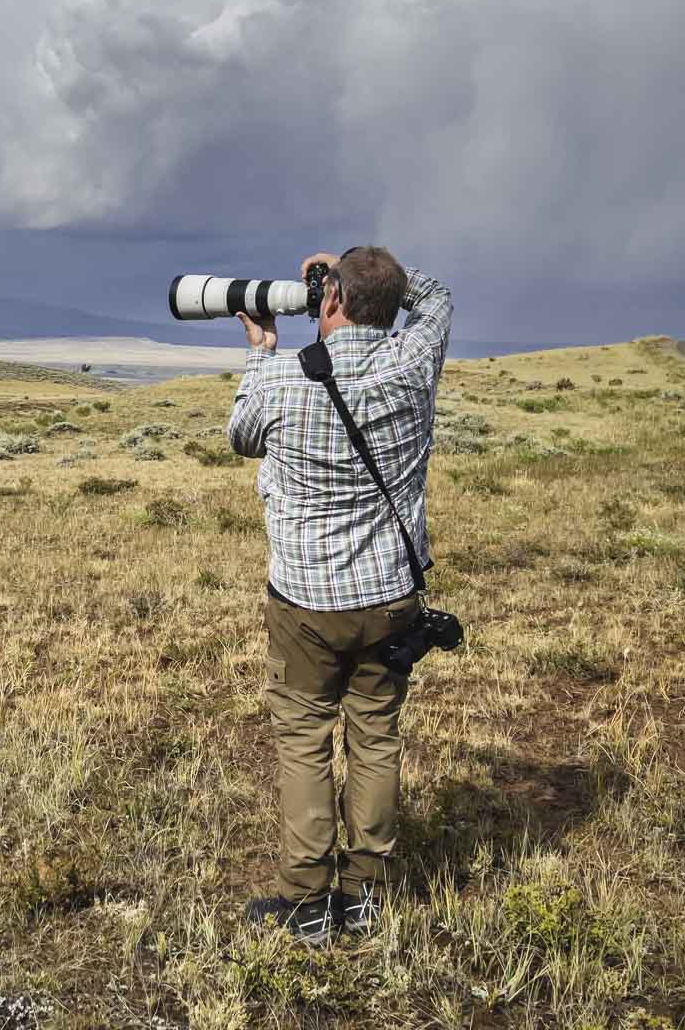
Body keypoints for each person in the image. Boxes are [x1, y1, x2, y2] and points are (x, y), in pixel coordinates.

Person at [227, 246, 453, 945]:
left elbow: (240, 438)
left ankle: (305, 900)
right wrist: (372, 273)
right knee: (376, 736)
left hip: (304, 604)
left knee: (304, 740)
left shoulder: (285, 381)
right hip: (390, 596)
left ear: (328, 301)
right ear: (387, 306)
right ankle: (364, 895)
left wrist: (263, 350)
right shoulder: (413, 364)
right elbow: (438, 299)